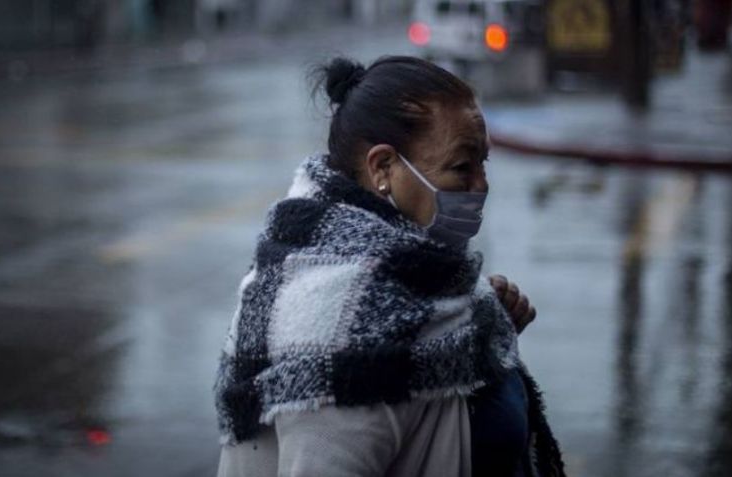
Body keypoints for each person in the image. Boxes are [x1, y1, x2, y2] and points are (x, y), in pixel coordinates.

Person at [214, 56, 565, 477]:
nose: (481, 186)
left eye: (483, 163)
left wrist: (483, 334)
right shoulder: (340, 330)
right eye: (461, 167)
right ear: (383, 168)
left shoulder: (425, 288)